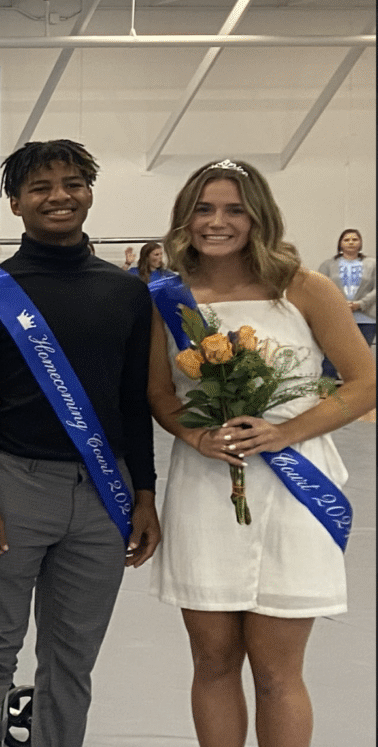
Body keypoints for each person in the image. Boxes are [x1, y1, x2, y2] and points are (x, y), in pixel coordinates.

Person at [146, 160, 375, 747]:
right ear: (184, 216)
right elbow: (160, 392)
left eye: (233, 209)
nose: (216, 222)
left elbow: (363, 382)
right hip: (205, 488)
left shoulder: (304, 287)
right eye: (203, 208)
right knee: (213, 663)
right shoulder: (166, 298)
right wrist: (195, 436)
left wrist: (284, 433)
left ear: (259, 216)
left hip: (293, 493)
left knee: (277, 672)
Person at [0, 140, 162, 747]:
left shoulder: (126, 293)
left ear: (90, 193)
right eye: (41, 187)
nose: (59, 196)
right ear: (15, 202)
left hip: (105, 495)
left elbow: (134, 403)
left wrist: (145, 494)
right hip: (14, 487)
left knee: (72, 659)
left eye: (73, 183)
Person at [316, 228, 374, 379]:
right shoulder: (328, 265)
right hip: (336, 317)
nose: (351, 242)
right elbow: (320, 288)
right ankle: (326, 391)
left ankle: (357, 394)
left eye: (355, 239)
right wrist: (339, 304)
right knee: (331, 355)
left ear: (360, 243)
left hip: (366, 319)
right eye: (346, 239)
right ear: (340, 244)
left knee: (360, 358)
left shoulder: (372, 264)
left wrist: (360, 304)